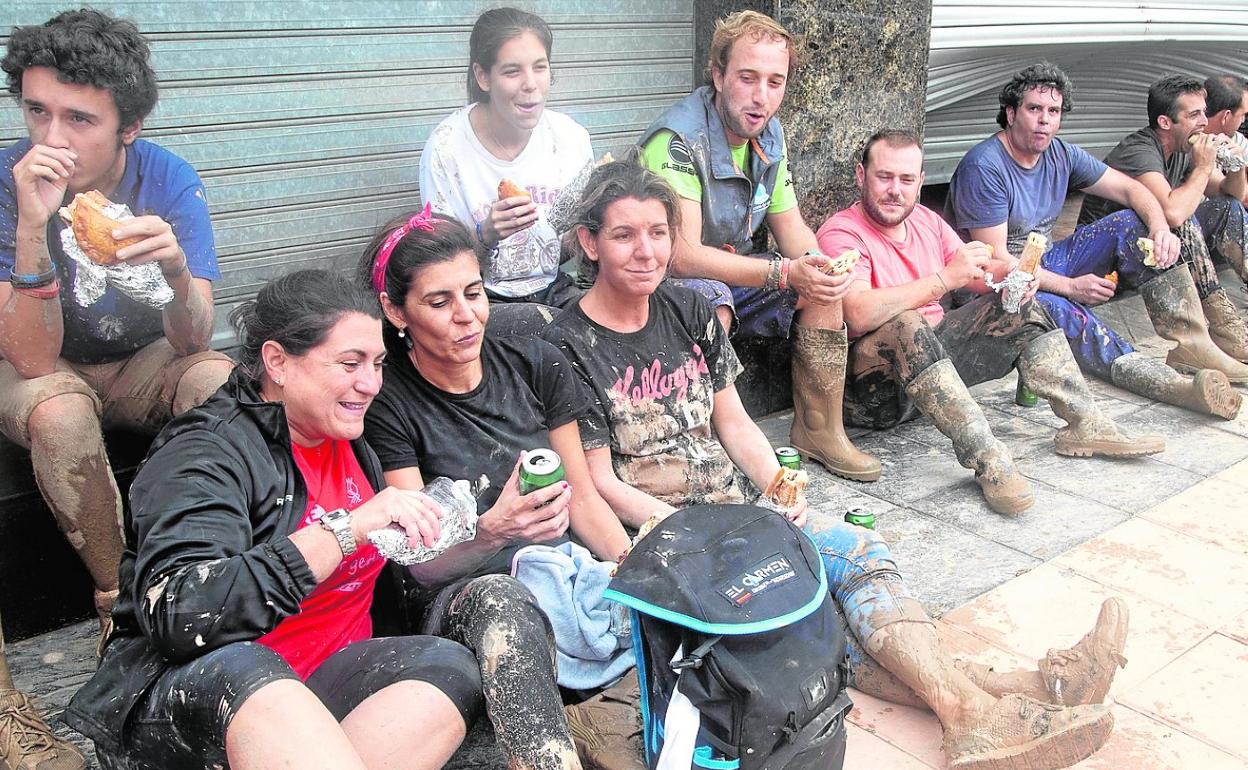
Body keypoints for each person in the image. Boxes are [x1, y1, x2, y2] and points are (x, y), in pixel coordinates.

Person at [542, 160, 1124, 770]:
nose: (646, 251)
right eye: (624, 235)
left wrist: (776, 479)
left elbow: (734, 423)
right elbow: (598, 483)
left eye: (659, 233)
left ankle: (988, 705)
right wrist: (686, 536)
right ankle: (1001, 700)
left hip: (741, 513)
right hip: (670, 542)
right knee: (807, 625)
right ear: (589, 242)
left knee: (856, 551)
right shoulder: (564, 346)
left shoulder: (688, 312)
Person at [63, 270, 482, 770]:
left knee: (446, 666)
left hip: (319, 684)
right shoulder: (203, 453)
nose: (370, 384)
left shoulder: (348, 439)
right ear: (278, 361)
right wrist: (345, 530)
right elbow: (180, 614)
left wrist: (492, 528)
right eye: (350, 364)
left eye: (377, 364)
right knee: (254, 670)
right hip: (213, 696)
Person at [0, 11, 233, 768]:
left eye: (79, 118)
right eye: (36, 110)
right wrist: (34, 232)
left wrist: (172, 273)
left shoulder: (166, 178)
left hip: (139, 361)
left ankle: (205, 580)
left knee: (219, 382)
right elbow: (32, 361)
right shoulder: (11, 183)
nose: (52, 137)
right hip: (44, 367)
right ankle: (115, 607)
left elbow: (194, 338)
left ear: (129, 124)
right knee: (62, 412)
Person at [358, 208, 634, 770]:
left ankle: (607, 719)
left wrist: (634, 567)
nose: (467, 317)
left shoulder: (534, 363)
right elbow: (416, 567)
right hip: (460, 594)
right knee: (501, 602)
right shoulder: (388, 404)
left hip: (559, 567)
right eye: (439, 303)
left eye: (475, 293)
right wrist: (491, 532)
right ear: (395, 310)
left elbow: (581, 496)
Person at [817, 131, 1179, 514]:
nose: (895, 190)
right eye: (884, 177)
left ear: (921, 182)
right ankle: (990, 461)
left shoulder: (926, 221)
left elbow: (979, 270)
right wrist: (944, 280)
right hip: (872, 393)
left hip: (933, 375)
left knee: (1018, 306)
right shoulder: (842, 232)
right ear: (861, 176)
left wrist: (1018, 275)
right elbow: (855, 311)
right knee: (907, 323)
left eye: (906, 180)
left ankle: (1085, 421)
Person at [637, 10, 879, 483]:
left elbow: (793, 233)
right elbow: (680, 256)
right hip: (656, 283)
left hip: (730, 270)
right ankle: (696, 443)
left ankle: (818, 429)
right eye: (747, 78)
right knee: (711, 301)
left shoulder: (769, 135)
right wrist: (785, 272)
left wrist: (823, 266)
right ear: (718, 75)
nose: (761, 97)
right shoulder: (679, 141)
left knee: (820, 286)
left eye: (775, 81)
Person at [946, 63, 1248, 401]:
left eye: (1054, 111)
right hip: (991, 288)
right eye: (1034, 109)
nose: (1045, 119)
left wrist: (1161, 228)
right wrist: (1070, 287)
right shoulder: (985, 166)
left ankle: (1192, 345)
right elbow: (998, 262)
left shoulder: (1061, 153)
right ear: (1011, 113)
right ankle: (1158, 381)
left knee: (1134, 224)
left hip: (1041, 263)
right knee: (1056, 308)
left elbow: (1133, 191)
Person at [420, 7, 594, 308]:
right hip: (479, 299)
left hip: (557, 289)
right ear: (483, 76)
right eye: (512, 71)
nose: (530, 84)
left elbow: (569, 250)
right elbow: (438, 267)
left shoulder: (570, 139)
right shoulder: (446, 149)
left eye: (540, 67)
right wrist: (486, 234)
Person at [1079, 75, 1248, 363]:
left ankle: (1224, 324)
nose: (1204, 123)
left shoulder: (1182, 150)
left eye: (1203, 113)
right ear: (1166, 122)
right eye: (1194, 115)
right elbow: (1173, 213)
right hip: (1105, 265)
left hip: (1153, 253)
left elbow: (1232, 195)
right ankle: (1212, 331)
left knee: (1226, 209)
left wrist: (1235, 166)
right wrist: (1203, 167)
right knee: (1181, 218)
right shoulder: (1139, 151)